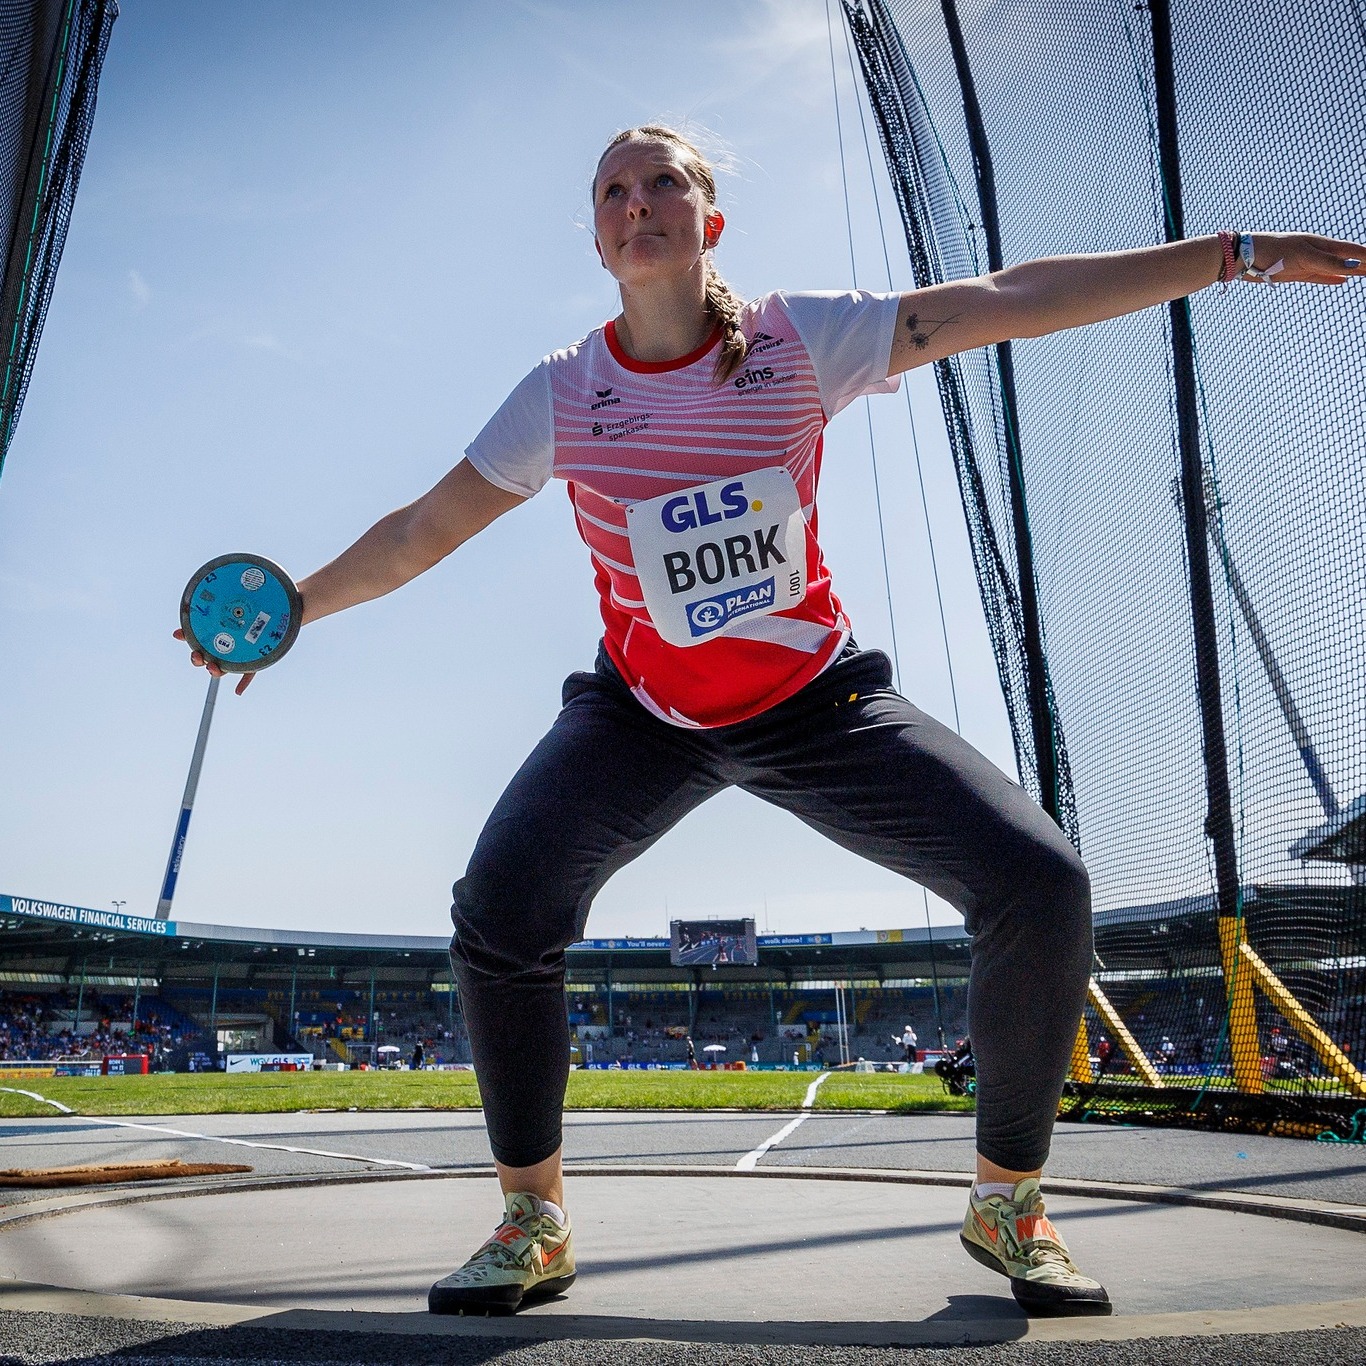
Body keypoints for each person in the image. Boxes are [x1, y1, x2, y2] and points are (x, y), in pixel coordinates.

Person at [177, 122, 1364, 1319]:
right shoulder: (565, 393)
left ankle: (1008, 1202)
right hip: (643, 714)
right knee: (499, 909)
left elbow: (1014, 298)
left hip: (818, 703)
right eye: (612, 192)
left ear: (708, 220)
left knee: (1041, 883)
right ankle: (532, 1219)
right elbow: (418, 532)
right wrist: (295, 609)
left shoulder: (804, 341)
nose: (636, 203)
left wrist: (1234, 254)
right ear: (597, 237)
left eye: (662, 184)